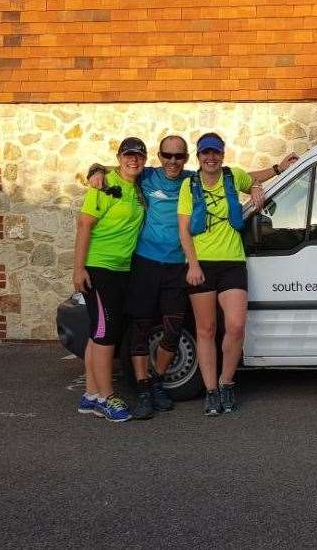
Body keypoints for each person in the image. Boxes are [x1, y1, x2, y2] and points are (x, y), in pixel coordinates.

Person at [89, 136, 296, 419]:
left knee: (173, 329)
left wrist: (274, 170)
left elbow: (243, 177)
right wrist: (95, 170)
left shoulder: (192, 178)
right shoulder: (147, 176)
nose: (172, 161)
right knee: (141, 327)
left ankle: (158, 380)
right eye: (167, 155)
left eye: (178, 156)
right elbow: (121, 168)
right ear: (159, 156)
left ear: (187, 158)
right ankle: (142, 388)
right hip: (146, 262)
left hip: (178, 265)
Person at [178, 132, 297, 416]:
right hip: (202, 264)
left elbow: (256, 176)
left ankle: (226, 382)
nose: (211, 158)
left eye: (216, 153)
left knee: (235, 326)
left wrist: (265, 179)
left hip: (232, 261)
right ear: (199, 156)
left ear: (222, 154)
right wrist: (192, 265)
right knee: (205, 330)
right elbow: (183, 229)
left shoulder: (233, 176)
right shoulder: (189, 185)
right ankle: (210, 392)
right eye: (206, 153)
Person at [73, 137, 147, 422]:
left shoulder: (135, 188)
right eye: (128, 156)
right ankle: (106, 397)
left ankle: (91, 395)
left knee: (97, 333)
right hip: (100, 268)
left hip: (122, 270)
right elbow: (84, 226)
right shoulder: (102, 186)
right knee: (106, 334)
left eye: (139, 156)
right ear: (119, 157)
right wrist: (78, 269)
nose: (134, 160)